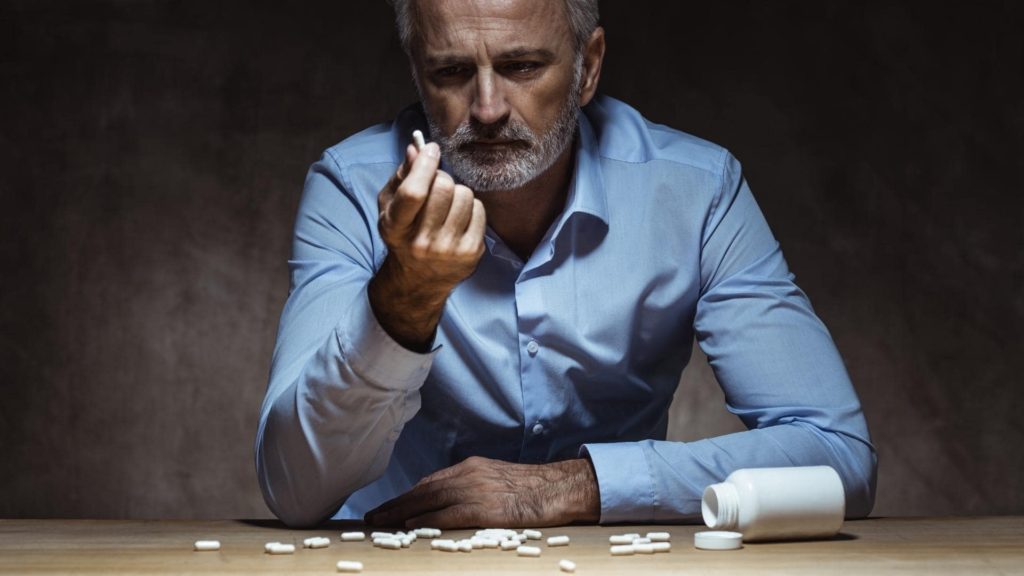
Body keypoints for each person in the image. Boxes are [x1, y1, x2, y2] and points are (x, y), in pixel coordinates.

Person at [255, 0, 877, 529]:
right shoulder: (351, 188)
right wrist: (405, 296)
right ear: (418, 76)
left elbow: (837, 458)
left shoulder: (697, 191)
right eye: (450, 71)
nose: (489, 108)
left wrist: (576, 487)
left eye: (522, 65)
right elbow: (296, 491)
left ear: (588, 68)